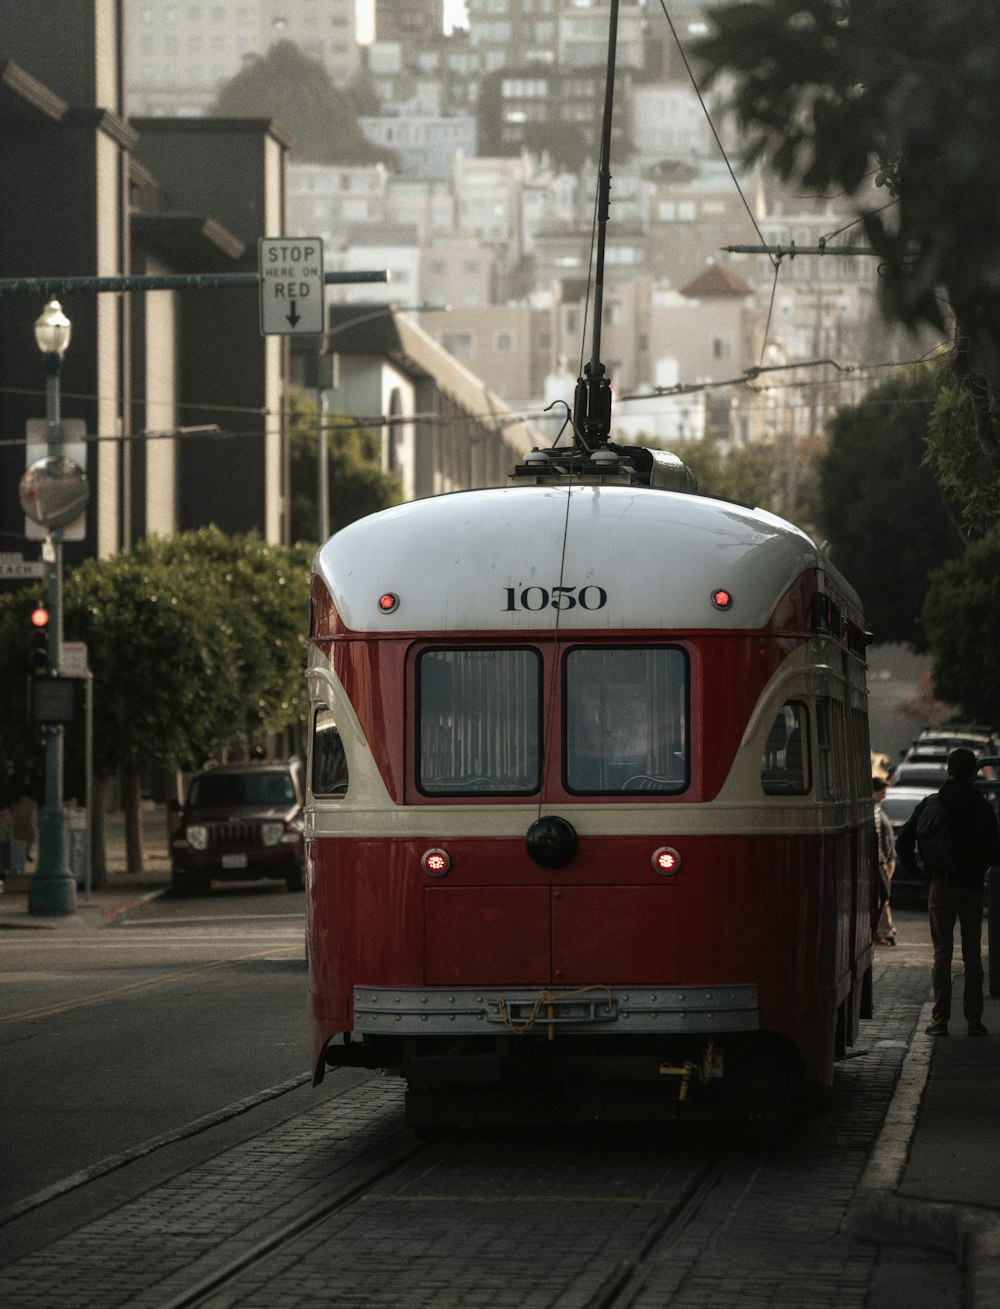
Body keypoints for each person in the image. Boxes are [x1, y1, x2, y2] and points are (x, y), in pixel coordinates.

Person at [896, 747, 1000, 1037]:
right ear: (973, 773)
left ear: (948, 770)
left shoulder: (932, 803)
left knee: (942, 952)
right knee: (973, 954)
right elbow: (995, 851)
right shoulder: (982, 807)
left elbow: (903, 842)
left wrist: (919, 874)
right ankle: (974, 1020)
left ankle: (940, 1020)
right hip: (972, 887)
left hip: (940, 884)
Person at [872, 776, 897, 945]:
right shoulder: (873, 812)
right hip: (879, 862)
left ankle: (879, 930)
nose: (884, 796)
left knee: (883, 896)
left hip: (882, 860)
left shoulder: (877, 810)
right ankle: (877, 931)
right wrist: (885, 861)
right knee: (883, 894)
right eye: (882, 792)